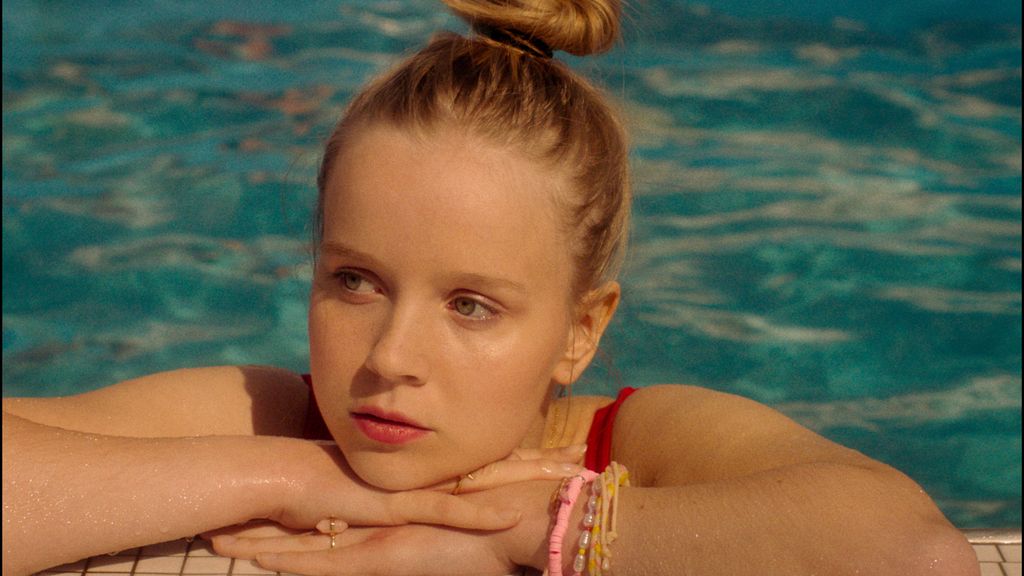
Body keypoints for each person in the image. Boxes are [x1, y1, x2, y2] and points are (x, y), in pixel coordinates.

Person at [2, 1, 979, 575]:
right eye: (355, 281)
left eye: (470, 305)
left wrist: (532, 530)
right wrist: (295, 479)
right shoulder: (279, 422)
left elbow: (913, 554)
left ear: (580, 331)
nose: (390, 360)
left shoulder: (635, 446)